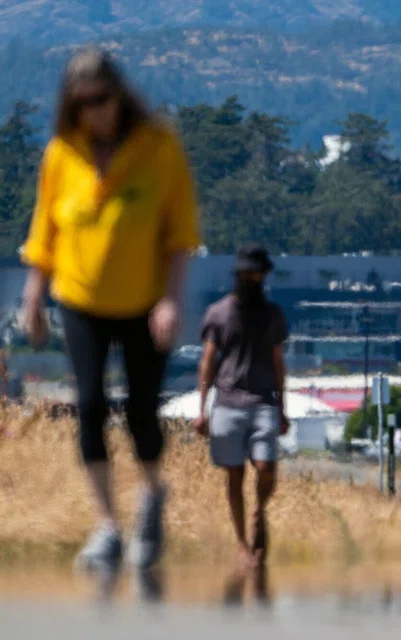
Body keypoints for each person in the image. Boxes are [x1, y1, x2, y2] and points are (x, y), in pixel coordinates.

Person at [19, 48, 200, 570]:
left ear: (119, 95)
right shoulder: (62, 152)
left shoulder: (157, 147)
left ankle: (150, 497)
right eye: (81, 104)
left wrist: (171, 298)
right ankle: (107, 527)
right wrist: (34, 296)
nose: (93, 112)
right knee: (91, 408)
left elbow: (180, 233)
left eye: (101, 100)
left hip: (144, 301)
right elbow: (45, 231)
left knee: (142, 411)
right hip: (80, 299)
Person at [193, 244, 290, 569]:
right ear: (238, 276)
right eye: (246, 273)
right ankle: (241, 543)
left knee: (267, 468)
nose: (251, 278)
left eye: (256, 273)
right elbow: (207, 361)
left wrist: (282, 408)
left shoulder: (273, 314)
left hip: (262, 401)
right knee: (233, 476)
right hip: (228, 403)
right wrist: (202, 408)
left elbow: (278, 362)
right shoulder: (218, 314)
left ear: (263, 276)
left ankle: (259, 512)